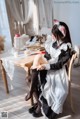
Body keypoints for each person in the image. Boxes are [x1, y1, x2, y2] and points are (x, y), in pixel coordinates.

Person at [25, 20, 75, 118]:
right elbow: (48, 56)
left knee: (31, 77)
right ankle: (39, 104)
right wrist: (44, 62)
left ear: (62, 35)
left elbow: (59, 64)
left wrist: (45, 66)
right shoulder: (53, 44)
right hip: (49, 68)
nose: (52, 36)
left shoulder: (66, 47)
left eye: (54, 34)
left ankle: (36, 98)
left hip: (57, 72)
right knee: (38, 58)